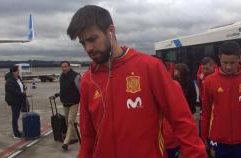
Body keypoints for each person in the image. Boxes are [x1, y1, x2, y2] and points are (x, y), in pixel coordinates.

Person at [67, 5, 207, 158]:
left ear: (111, 31)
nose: (88, 48)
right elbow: (88, 138)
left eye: (92, 39)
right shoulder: (88, 80)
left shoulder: (149, 67)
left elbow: (182, 122)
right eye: (83, 43)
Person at [201, 41, 241, 158]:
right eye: (225, 62)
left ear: (239, 59)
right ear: (219, 58)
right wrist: (203, 137)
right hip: (218, 140)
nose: (228, 66)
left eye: (233, 62)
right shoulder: (210, 81)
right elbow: (206, 112)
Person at [54, 61, 81, 151]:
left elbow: (81, 89)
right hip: (65, 102)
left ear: (69, 67)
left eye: (65, 66)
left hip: (74, 102)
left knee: (70, 121)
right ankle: (74, 138)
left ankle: (66, 142)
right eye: (62, 67)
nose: (64, 68)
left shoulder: (76, 76)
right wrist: (57, 94)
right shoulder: (61, 77)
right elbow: (63, 89)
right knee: (68, 122)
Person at [5, 65, 26, 138]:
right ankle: (16, 133)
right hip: (14, 101)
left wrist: (24, 88)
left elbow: (21, 86)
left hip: (20, 99)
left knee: (17, 116)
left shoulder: (18, 78)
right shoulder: (9, 81)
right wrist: (22, 93)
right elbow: (13, 91)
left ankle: (17, 131)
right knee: (15, 117)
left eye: (18, 71)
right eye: (17, 71)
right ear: (13, 72)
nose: (18, 72)